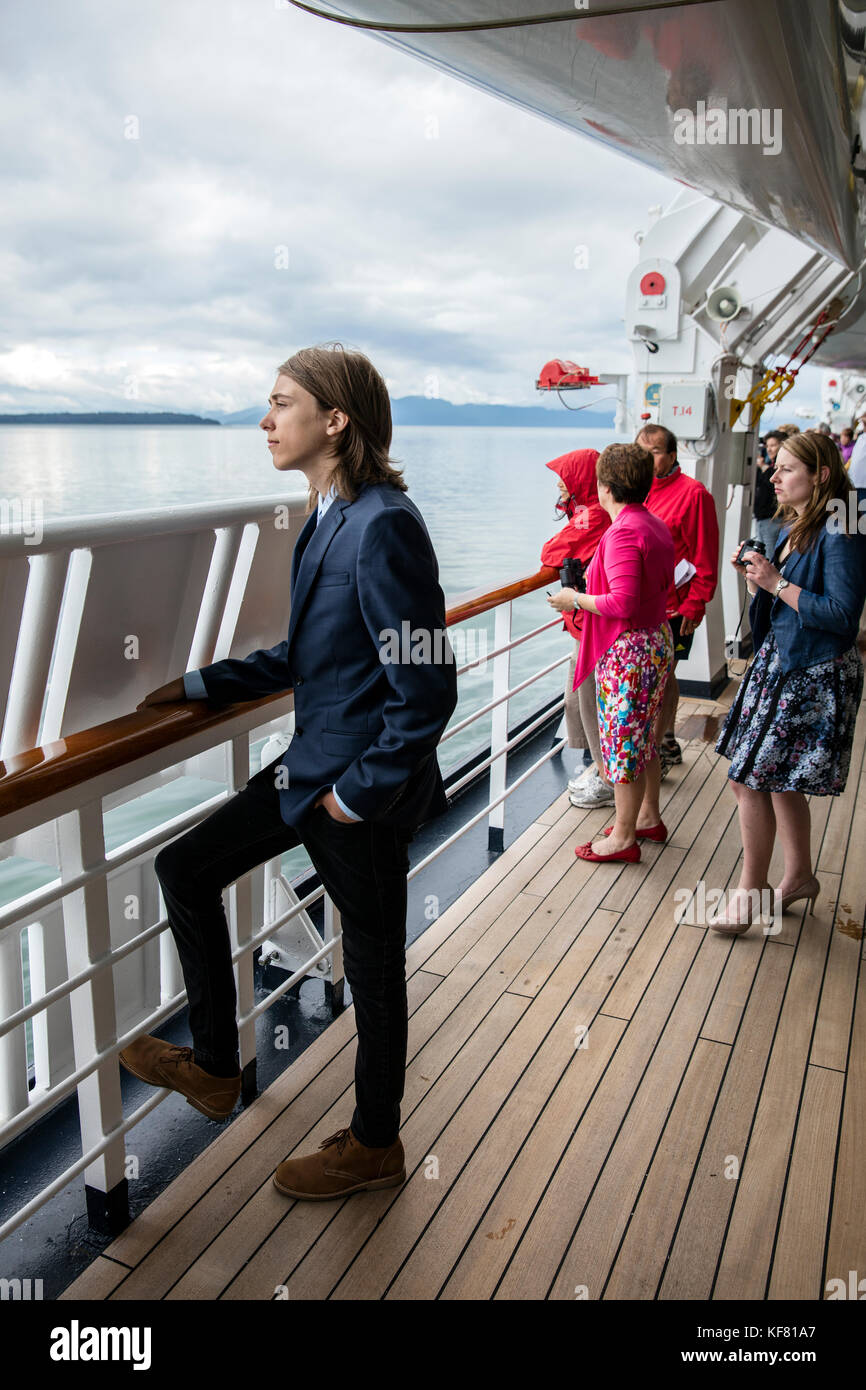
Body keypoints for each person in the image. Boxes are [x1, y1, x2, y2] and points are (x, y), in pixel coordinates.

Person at [121, 343, 458, 1199]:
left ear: (335, 419)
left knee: (376, 970)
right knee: (183, 867)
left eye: (279, 404)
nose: (264, 421)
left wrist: (358, 793)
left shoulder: (383, 523)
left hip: (352, 795)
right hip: (310, 772)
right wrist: (198, 685)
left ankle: (376, 1144)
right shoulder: (324, 517)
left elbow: (427, 686)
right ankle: (216, 1068)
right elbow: (307, 655)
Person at [712, 431, 866, 932]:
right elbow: (788, 596)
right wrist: (762, 577)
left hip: (810, 673)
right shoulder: (803, 523)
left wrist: (775, 582)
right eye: (774, 468)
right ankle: (798, 876)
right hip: (783, 664)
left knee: (747, 779)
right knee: (773, 780)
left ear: (821, 475)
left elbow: (843, 615)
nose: (773, 477)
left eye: (786, 469)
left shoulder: (841, 528)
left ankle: (751, 891)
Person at [548, 443, 675, 862]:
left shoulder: (623, 532)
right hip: (655, 640)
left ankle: (623, 837)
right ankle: (647, 817)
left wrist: (574, 598)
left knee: (623, 745)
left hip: (630, 653)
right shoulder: (654, 524)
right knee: (645, 740)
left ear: (605, 486)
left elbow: (621, 602)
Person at [638, 424, 720, 777]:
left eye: (654, 450)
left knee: (664, 673)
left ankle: (659, 744)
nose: (646, 456)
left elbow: (705, 553)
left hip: (675, 607)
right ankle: (663, 740)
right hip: (642, 604)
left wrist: (696, 603)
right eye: (640, 449)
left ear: (672, 455)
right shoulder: (638, 491)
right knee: (656, 675)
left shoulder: (693, 494)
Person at [539, 448, 612, 808]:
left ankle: (606, 775)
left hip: (596, 623)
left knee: (588, 698)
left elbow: (551, 553)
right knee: (580, 698)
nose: (558, 484)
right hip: (590, 622)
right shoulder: (587, 512)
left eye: (564, 477)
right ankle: (599, 768)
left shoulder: (591, 515)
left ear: (582, 480)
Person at [753, 431, 786, 555]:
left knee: (770, 558)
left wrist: (764, 468)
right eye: (767, 446)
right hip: (762, 519)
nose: (769, 449)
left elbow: (772, 485)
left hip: (772, 519)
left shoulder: (770, 470)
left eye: (773, 445)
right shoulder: (769, 467)